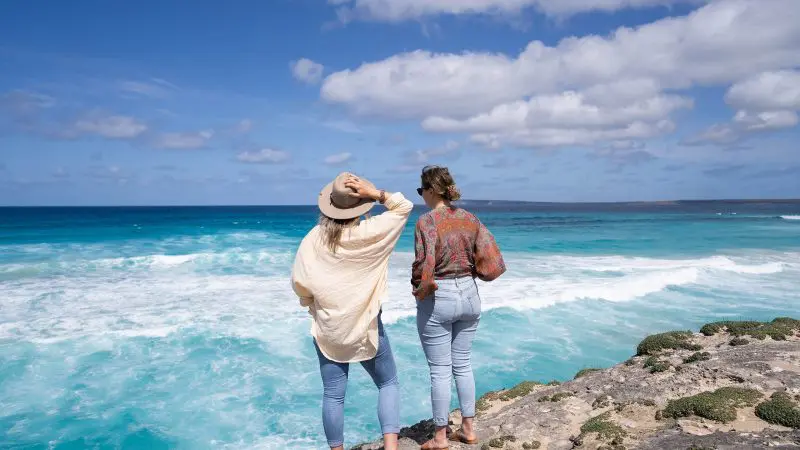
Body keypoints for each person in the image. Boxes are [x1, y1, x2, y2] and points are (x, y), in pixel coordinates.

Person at [291, 172, 413, 450]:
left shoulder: (313, 238)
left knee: (333, 395)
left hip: (328, 326)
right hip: (367, 323)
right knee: (388, 382)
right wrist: (376, 193)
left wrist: (316, 305)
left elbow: (300, 284)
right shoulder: (371, 232)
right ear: (361, 207)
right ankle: (391, 448)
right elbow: (403, 207)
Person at [411, 165, 506, 449]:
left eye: (420, 191)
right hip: (470, 293)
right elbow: (488, 257)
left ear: (430, 190)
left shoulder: (426, 221)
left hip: (440, 295)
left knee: (440, 370)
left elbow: (421, 266)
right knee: (463, 364)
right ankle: (468, 428)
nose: (421, 196)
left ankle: (440, 437)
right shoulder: (470, 218)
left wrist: (418, 289)